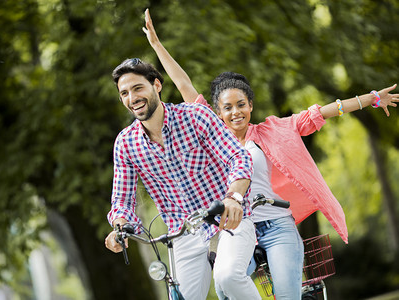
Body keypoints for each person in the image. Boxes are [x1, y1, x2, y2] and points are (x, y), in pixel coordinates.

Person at [142, 8, 399, 299]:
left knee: (288, 295)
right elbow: (184, 85)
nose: (235, 112)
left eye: (241, 104)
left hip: (277, 226)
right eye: (227, 108)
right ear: (216, 113)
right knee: (226, 285)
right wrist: (156, 46)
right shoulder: (213, 133)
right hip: (237, 229)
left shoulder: (274, 130)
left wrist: (372, 99)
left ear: (250, 105)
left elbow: (323, 112)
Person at [104, 56, 263, 299]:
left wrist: (234, 198)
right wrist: (120, 228)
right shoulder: (126, 144)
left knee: (228, 276)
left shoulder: (194, 116)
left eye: (138, 88)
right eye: (124, 93)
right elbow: (122, 201)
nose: (132, 98)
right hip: (183, 233)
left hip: (226, 219)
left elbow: (238, 158)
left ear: (156, 85)